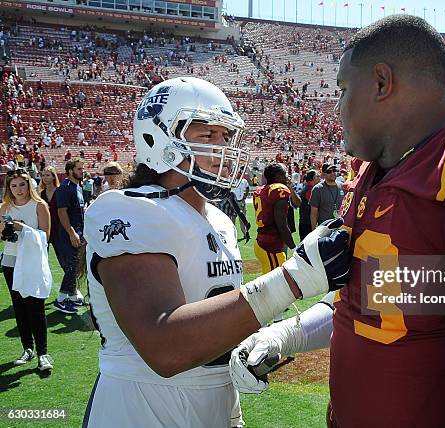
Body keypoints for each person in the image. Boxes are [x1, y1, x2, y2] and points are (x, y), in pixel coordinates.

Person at [230, 16, 445, 427]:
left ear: (381, 82)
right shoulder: (379, 177)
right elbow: (376, 295)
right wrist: (287, 333)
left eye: (343, 89)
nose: (337, 106)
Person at [81, 77, 350, 428]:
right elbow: (164, 347)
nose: (221, 149)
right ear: (158, 137)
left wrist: (251, 343)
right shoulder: (129, 209)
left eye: (225, 137)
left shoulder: (219, 219)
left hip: (216, 402)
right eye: (207, 136)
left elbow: (216, 318)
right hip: (144, 405)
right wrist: (291, 279)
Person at [0, 168, 53, 371]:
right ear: (9, 188)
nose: (18, 189)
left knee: (36, 307)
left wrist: (24, 229)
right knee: (19, 307)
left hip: (32, 262)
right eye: (14, 186)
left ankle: (43, 353)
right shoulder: (5, 207)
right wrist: (6, 231)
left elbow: (45, 236)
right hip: (11, 261)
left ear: (29, 184)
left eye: (22, 184)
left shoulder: (39, 205)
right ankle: (27, 348)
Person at [53, 158, 85, 314]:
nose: (82, 171)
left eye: (82, 169)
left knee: (76, 266)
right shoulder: (65, 188)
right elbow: (61, 211)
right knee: (72, 266)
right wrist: (71, 232)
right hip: (68, 235)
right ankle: (60, 300)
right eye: (79, 169)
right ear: (70, 171)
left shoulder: (77, 187)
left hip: (78, 233)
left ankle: (72, 297)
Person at [253, 163, 296, 273]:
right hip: (270, 246)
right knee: (276, 285)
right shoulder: (278, 190)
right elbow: (281, 225)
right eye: (285, 174)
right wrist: (294, 249)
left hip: (263, 241)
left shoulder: (263, 190)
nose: (288, 176)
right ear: (278, 177)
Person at [309, 163, 343, 230]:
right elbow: (314, 211)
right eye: (329, 171)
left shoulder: (342, 186)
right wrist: (313, 229)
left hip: (341, 226)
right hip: (325, 227)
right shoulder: (317, 189)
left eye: (334, 170)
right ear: (323, 174)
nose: (332, 173)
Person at [38, 167, 61, 251]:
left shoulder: (60, 191)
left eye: (48, 175)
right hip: (45, 227)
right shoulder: (40, 194)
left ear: (54, 176)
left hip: (58, 227)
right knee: (43, 254)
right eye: (43, 175)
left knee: (63, 257)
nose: (44, 178)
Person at [298, 170, 320, 240]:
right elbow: (315, 205)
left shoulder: (309, 188)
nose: (320, 178)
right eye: (317, 176)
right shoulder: (310, 190)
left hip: (306, 222)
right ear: (312, 179)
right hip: (307, 223)